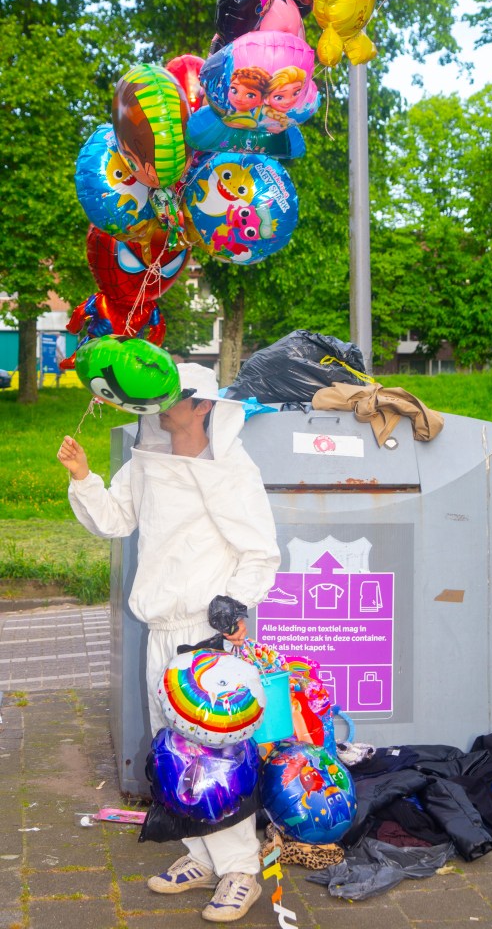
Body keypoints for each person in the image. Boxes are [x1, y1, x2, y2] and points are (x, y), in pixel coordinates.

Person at [57, 363, 281, 922]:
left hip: (206, 639)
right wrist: (83, 477)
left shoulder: (232, 468)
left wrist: (236, 602)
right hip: (161, 630)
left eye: (174, 397)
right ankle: (201, 856)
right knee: (175, 751)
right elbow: (115, 520)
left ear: (204, 406)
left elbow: (260, 550)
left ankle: (241, 871)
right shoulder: (147, 463)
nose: (161, 407)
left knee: (218, 756)